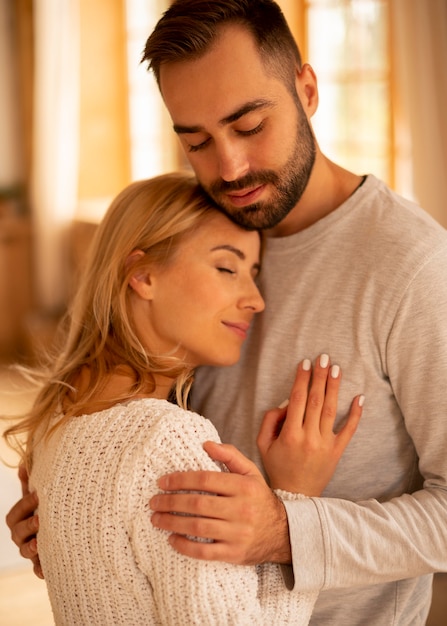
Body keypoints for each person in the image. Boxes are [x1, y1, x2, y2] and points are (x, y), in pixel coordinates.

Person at [6, 0, 447, 623]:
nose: (230, 168)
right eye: (198, 141)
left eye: (249, 125)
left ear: (308, 89)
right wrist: (86, 524)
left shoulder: (414, 267)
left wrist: (287, 527)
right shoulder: (204, 234)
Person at [3, 172, 363, 625]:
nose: (256, 300)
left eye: (252, 274)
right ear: (143, 275)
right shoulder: (166, 439)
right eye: (227, 268)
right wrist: (298, 498)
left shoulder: (57, 421)